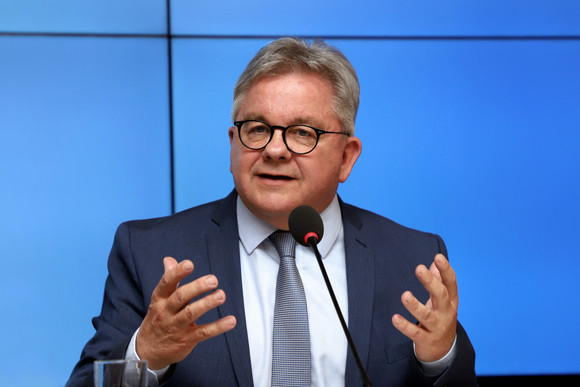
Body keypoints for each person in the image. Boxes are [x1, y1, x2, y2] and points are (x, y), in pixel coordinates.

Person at [67, 37, 477, 386]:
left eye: (302, 132)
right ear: (233, 144)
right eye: (258, 129)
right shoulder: (149, 251)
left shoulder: (413, 258)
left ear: (347, 158)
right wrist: (146, 355)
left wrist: (438, 359)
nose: (274, 150)